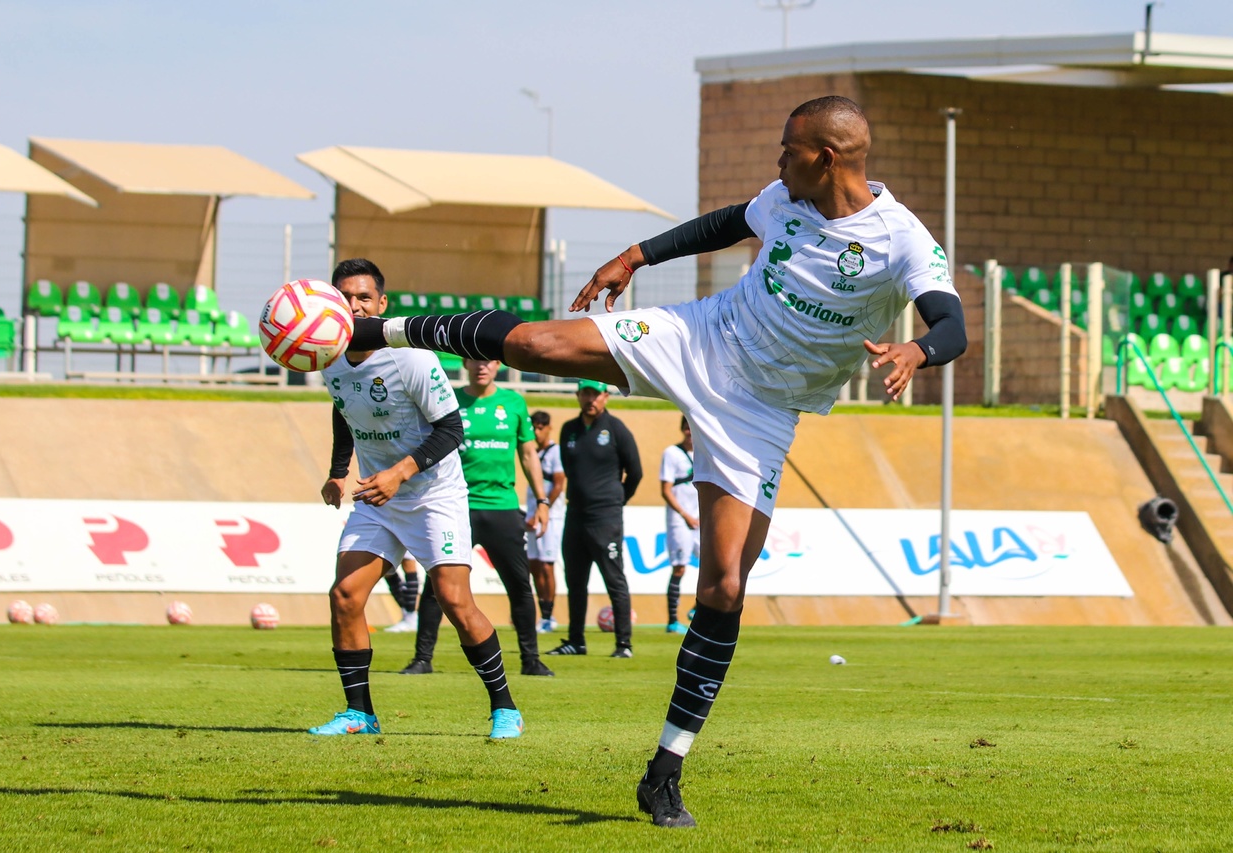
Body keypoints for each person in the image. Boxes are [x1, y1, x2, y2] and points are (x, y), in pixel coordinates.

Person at [342, 96, 967, 826]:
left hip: (758, 414)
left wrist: (917, 349)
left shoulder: (901, 240)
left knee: (726, 585)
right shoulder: (786, 198)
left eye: (787, 148)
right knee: (539, 345)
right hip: (699, 336)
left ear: (827, 158)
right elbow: (728, 221)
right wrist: (636, 254)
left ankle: (664, 771)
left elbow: (950, 320)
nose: (777, 158)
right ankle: (379, 327)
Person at [312, 257, 524, 740]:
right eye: (345, 297)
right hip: (377, 497)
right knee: (345, 596)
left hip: (434, 495)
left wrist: (399, 473)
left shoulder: (410, 357)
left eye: (364, 297)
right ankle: (359, 714)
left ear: (382, 304)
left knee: (454, 601)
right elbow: (344, 412)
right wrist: (337, 472)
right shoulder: (329, 359)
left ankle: (505, 707)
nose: (354, 305)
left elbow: (452, 430)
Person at [399, 357, 555, 678]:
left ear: (498, 364)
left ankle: (531, 660)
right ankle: (422, 658)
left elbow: (528, 454)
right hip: (456, 507)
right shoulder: (450, 399)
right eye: (475, 360)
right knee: (437, 585)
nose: (481, 366)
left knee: (519, 587)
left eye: (488, 361)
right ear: (466, 363)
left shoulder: (513, 403)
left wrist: (541, 500)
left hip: (503, 506)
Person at [546, 379, 642, 659]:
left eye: (596, 394)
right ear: (578, 395)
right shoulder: (569, 430)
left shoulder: (616, 429)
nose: (590, 399)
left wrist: (616, 499)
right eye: (585, 393)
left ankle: (623, 644)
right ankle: (576, 641)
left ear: (605, 397)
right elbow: (569, 468)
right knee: (575, 581)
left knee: (614, 579)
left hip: (606, 517)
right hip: (575, 515)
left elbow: (635, 472)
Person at [525, 411, 565, 633]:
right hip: (532, 515)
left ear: (549, 428)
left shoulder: (555, 452)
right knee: (534, 565)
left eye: (541, 427)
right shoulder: (532, 452)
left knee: (548, 565)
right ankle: (542, 613)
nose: (537, 432)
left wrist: (544, 508)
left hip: (551, 516)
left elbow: (559, 484)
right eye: (534, 428)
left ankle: (549, 616)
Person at [659, 416, 698, 634]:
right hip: (680, 520)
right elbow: (665, 490)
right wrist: (685, 515)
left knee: (718, 565)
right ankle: (672, 620)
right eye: (686, 429)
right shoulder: (672, 454)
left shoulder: (705, 452)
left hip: (701, 519)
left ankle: (697, 608)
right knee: (679, 567)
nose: (690, 433)